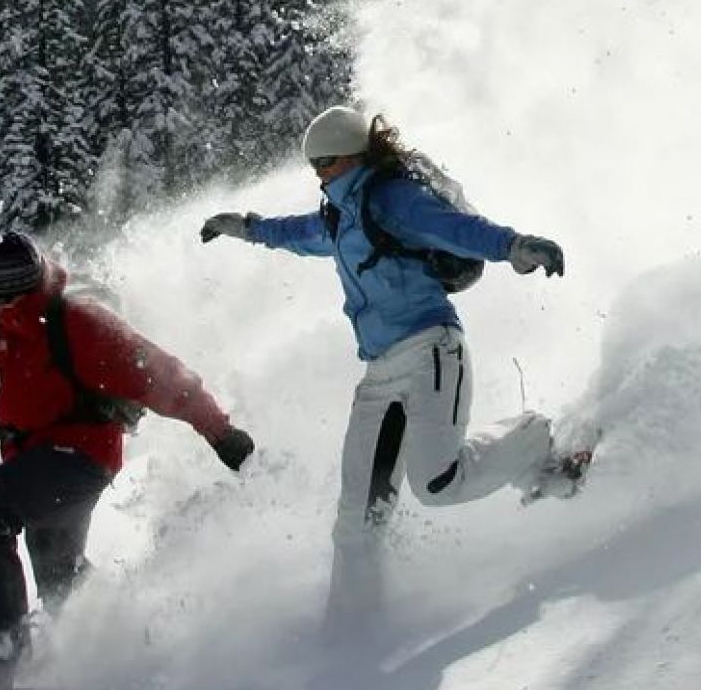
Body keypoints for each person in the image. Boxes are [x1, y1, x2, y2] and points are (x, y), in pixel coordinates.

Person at [199, 106, 576, 619]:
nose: (319, 174)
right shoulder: (338, 216)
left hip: (430, 350)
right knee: (358, 515)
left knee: (439, 483)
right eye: (314, 165)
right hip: (380, 373)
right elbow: (295, 233)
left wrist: (513, 246)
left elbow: (457, 229)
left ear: (354, 156)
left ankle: (535, 438)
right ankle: (353, 626)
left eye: (327, 162)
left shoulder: (391, 198)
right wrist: (246, 227)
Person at [0, 231, 254, 684]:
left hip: (80, 458)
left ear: (34, 282)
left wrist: (220, 432)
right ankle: (124, 638)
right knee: (58, 574)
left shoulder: (81, 324)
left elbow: (161, 376)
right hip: (35, 462)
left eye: (14, 294)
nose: (5, 305)